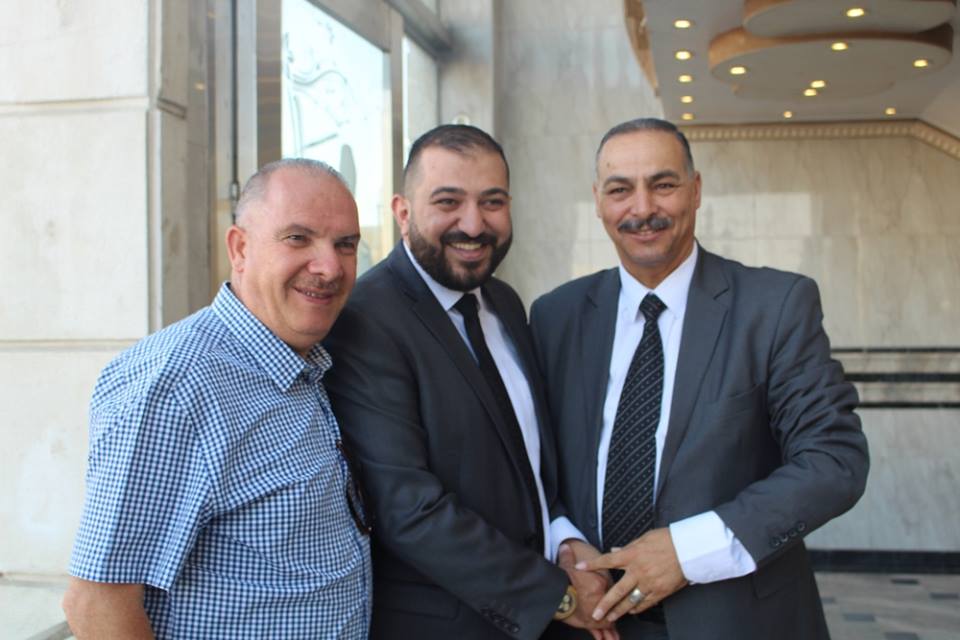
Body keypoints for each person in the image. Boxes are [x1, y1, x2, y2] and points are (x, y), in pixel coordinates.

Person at [529, 118, 869, 639]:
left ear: (696, 190)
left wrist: (686, 553)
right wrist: (565, 540)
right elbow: (535, 462)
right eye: (620, 190)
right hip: (591, 622)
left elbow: (833, 459)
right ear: (598, 201)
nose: (642, 208)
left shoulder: (775, 307)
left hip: (736, 621)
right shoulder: (556, 316)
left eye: (662, 184)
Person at [323, 124, 616, 640]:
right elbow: (407, 508)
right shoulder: (365, 320)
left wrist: (565, 540)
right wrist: (556, 596)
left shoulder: (504, 302)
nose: (474, 224)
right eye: (448, 201)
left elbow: (528, 461)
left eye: (492, 202)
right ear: (402, 212)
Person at [62, 159, 372, 639]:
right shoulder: (179, 383)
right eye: (298, 238)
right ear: (240, 248)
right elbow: (97, 603)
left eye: (345, 245)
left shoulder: (300, 360)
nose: (329, 267)